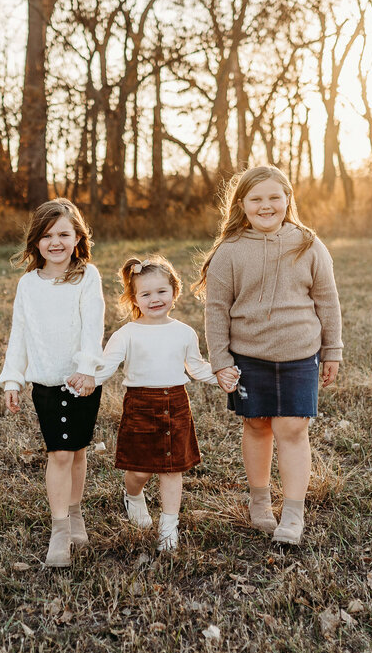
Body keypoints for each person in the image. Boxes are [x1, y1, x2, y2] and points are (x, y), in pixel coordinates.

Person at [194, 166, 342, 545]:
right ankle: (260, 502)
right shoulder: (230, 251)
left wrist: (332, 351)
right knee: (257, 426)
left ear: (288, 200)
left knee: (292, 429)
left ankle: (293, 511)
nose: (266, 205)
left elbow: (327, 301)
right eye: (256, 199)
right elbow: (216, 310)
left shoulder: (308, 244)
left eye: (275, 197)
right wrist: (221, 360)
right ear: (241, 204)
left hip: (299, 355)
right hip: (248, 357)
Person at [94, 255, 230, 552]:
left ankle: (169, 527)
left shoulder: (183, 332)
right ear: (134, 299)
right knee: (140, 470)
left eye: (161, 292)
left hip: (176, 404)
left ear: (174, 292)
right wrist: (86, 381)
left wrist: (222, 376)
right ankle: (133, 496)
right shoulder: (126, 333)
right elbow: (105, 367)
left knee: (172, 469)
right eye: (145, 294)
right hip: (141, 405)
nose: (154, 299)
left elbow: (196, 367)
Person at [0, 199, 104, 568]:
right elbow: (20, 332)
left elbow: (94, 325)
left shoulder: (87, 276)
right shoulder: (28, 284)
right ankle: (60, 528)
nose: (55, 242)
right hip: (46, 381)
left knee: (76, 451)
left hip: (83, 379)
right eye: (47, 235)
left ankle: (75, 514)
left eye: (63, 234)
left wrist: (89, 367)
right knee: (58, 453)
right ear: (36, 242)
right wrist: (12, 377)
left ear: (77, 237)